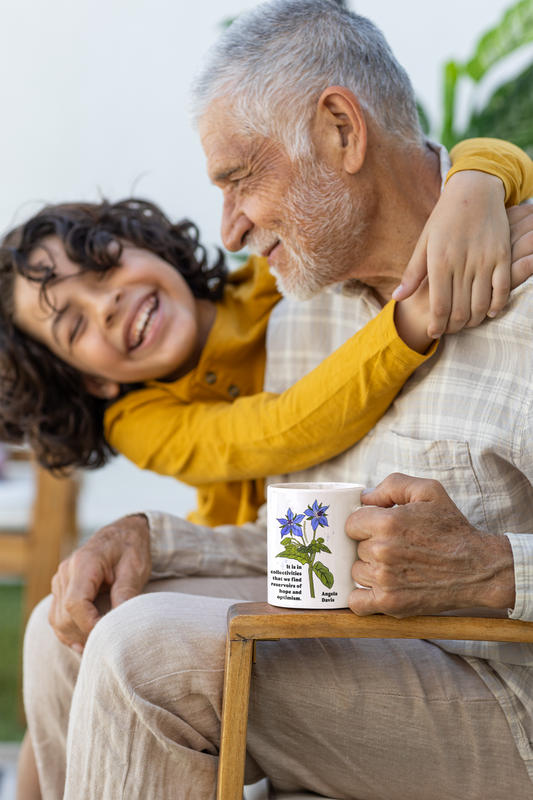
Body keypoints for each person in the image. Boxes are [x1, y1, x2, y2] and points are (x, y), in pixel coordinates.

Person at [20, 2, 533, 799]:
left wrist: (493, 573)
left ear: (340, 129)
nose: (226, 230)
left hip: (509, 699)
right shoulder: (301, 310)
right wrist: (154, 541)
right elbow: (307, 542)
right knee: (68, 629)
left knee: (145, 650)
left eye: (240, 178)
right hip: (361, 646)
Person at [2, 138, 533, 530]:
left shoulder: (270, 278)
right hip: (253, 553)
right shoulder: (136, 424)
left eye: (102, 267)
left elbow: (433, 167)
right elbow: (283, 429)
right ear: (89, 381)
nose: (107, 304)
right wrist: (412, 317)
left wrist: (475, 184)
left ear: (147, 246)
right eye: (75, 326)